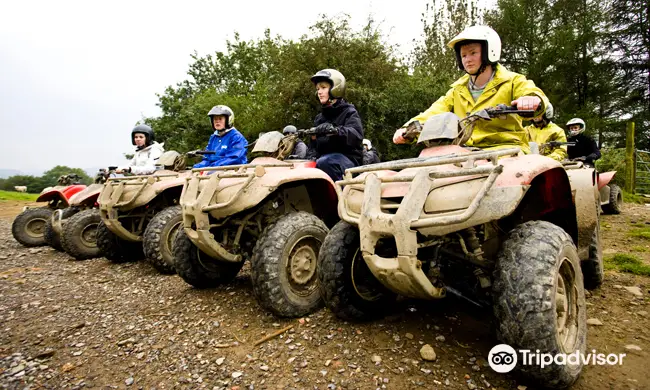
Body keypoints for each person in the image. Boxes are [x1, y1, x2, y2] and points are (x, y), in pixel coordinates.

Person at [393, 26, 549, 154]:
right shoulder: (457, 90)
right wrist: (408, 129)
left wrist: (531, 99)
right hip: (465, 152)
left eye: (473, 53)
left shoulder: (512, 80)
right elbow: (435, 111)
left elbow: (532, 93)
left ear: (489, 52)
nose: (467, 59)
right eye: (463, 55)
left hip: (506, 150)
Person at [306, 69, 364, 181]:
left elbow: (356, 135)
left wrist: (335, 131)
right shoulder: (319, 118)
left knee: (326, 162)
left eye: (323, 88)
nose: (319, 92)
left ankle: (343, 197)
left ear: (336, 89)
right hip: (325, 160)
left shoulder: (349, 112)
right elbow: (313, 147)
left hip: (349, 161)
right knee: (305, 166)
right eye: (317, 89)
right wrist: (310, 158)